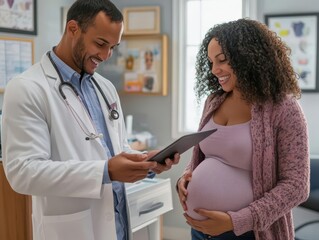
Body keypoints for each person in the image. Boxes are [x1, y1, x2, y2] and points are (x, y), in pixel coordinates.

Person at [1, 1, 179, 240]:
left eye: (113, 47)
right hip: (71, 230)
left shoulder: (104, 88)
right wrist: (105, 171)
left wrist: (145, 163)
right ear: (73, 28)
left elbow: (117, 150)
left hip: (118, 227)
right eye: (100, 44)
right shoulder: (27, 88)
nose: (106, 56)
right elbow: (23, 172)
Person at [176, 18, 310, 240]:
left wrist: (237, 221)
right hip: (200, 231)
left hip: (251, 232)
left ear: (247, 57)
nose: (215, 69)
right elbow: (203, 156)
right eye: (210, 62)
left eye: (222, 60)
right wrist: (185, 178)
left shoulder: (282, 107)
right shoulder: (214, 101)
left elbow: (296, 186)